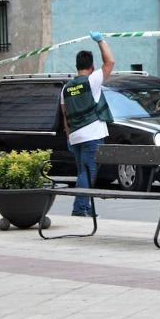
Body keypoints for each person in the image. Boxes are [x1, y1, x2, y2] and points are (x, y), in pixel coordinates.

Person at [61, 31, 115, 217]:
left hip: (75, 135)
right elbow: (110, 62)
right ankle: (79, 208)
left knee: (83, 172)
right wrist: (100, 41)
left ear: (77, 66)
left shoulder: (66, 88)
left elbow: (65, 115)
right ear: (91, 67)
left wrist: (69, 136)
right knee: (87, 172)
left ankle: (87, 208)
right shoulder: (92, 81)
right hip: (92, 134)